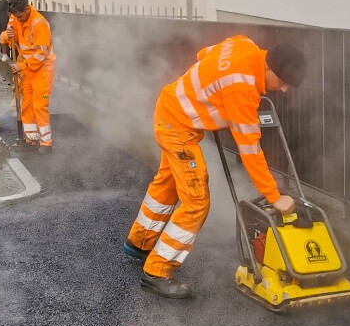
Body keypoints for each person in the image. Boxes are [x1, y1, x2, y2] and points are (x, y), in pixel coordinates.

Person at [124, 37, 307, 299]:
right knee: (197, 201)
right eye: (284, 82)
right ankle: (157, 271)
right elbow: (250, 151)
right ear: (270, 69)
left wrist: (212, 97)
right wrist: (274, 197)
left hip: (170, 110)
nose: (285, 89)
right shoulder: (242, 92)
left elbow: (203, 55)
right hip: (178, 128)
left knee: (167, 185)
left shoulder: (244, 44)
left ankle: (138, 243)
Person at [0, 0, 55, 153]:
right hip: (27, 67)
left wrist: (21, 65)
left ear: (26, 9)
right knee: (27, 104)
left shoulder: (39, 24)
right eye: (16, 16)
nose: (19, 19)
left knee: (40, 105)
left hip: (43, 68)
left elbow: (41, 54)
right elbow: (12, 36)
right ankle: (31, 138)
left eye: (20, 16)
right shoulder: (15, 18)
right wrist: (8, 35)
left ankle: (46, 143)